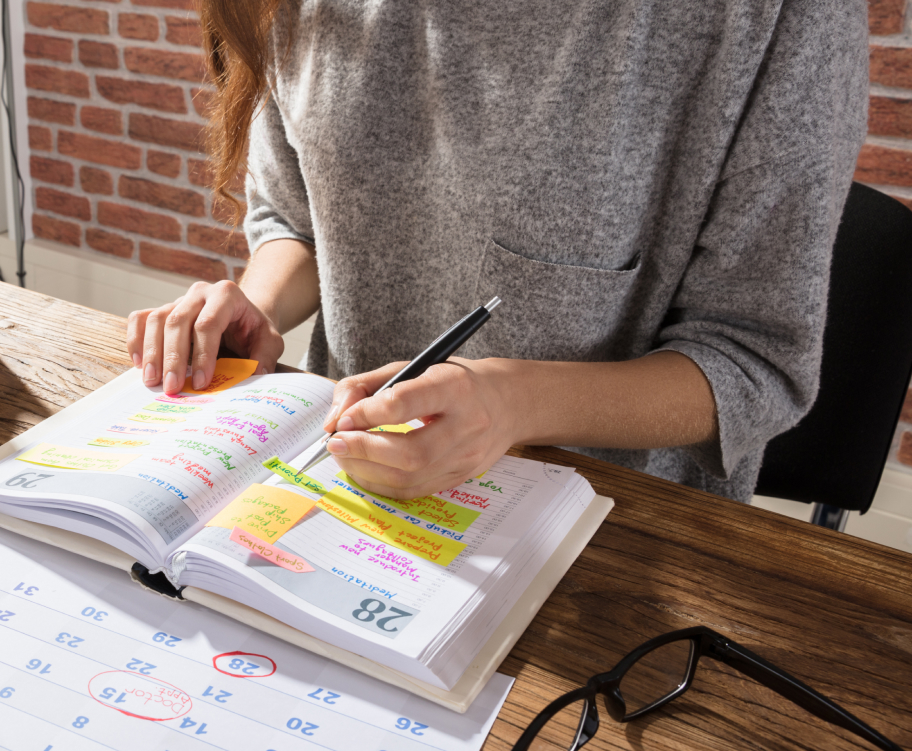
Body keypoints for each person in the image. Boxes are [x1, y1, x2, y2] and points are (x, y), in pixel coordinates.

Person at [127, 0, 868, 502]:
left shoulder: (777, 17)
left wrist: (509, 406)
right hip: (342, 491)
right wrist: (257, 306)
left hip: (609, 535)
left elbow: (754, 360)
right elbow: (299, 220)